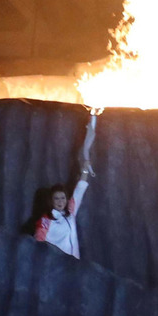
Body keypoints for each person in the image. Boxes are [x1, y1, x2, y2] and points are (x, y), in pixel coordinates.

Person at [34, 110, 100, 258]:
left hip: (73, 266)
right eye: (57, 198)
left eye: (62, 198)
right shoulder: (46, 220)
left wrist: (85, 170)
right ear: (51, 200)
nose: (60, 201)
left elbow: (80, 189)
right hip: (57, 269)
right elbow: (38, 241)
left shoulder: (69, 213)